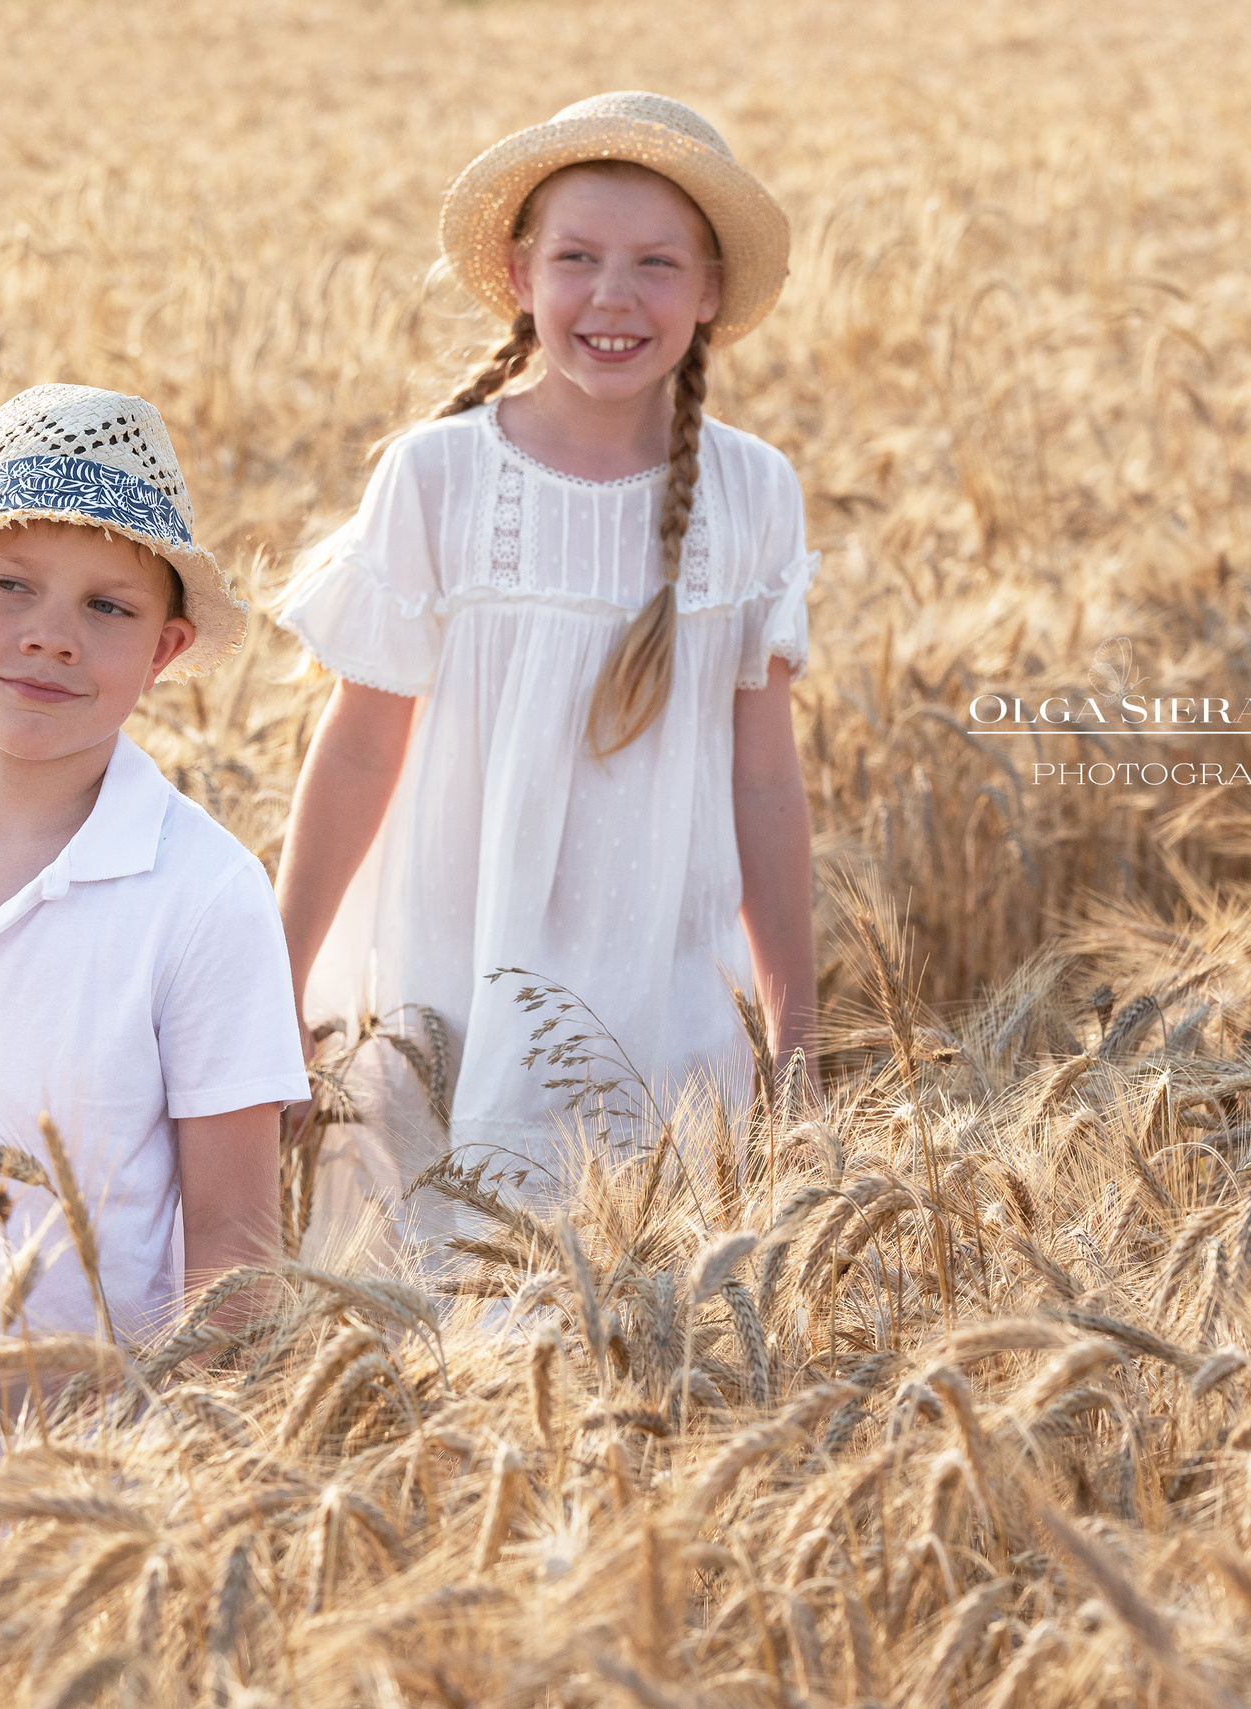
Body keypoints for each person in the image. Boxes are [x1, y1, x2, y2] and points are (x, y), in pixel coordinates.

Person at [274, 93, 821, 1251]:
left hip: (662, 989)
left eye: (657, 264)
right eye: (578, 258)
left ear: (712, 292)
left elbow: (764, 776)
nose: (613, 296)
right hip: (452, 972)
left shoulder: (753, 492)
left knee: (653, 1295)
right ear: (522, 274)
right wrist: (275, 979)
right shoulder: (437, 476)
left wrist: (795, 1020)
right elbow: (362, 743)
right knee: (427, 1295)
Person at [0, 383, 311, 1352]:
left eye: (106, 606)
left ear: (165, 648)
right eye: (10, 586)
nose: (52, 634)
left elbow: (235, 1248)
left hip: (78, 1446)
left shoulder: (205, 894)